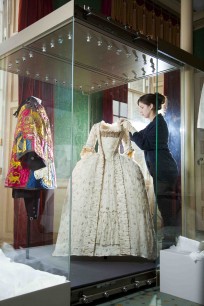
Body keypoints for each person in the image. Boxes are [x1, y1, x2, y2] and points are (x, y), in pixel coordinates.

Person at [53, 120, 155, 259]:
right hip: (103, 163)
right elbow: (125, 149)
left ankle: (123, 247)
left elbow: (125, 147)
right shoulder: (97, 127)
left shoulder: (118, 127)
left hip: (116, 163)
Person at [121, 93, 180, 249]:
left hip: (164, 171)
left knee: (166, 210)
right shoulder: (154, 123)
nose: (140, 111)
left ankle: (169, 247)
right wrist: (128, 128)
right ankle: (170, 245)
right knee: (166, 208)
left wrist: (131, 128)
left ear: (151, 106)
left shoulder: (160, 124)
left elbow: (144, 143)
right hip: (161, 170)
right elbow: (140, 136)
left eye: (142, 107)